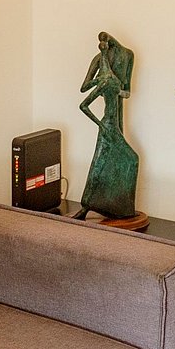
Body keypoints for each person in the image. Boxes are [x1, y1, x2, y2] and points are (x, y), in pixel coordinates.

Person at [74, 32, 141, 220]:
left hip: (112, 122)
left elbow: (125, 91)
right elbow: (84, 96)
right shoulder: (104, 76)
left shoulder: (126, 57)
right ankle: (91, 205)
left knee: (108, 160)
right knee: (121, 159)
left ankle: (116, 207)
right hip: (108, 124)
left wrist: (110, 85)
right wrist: (100, 81)